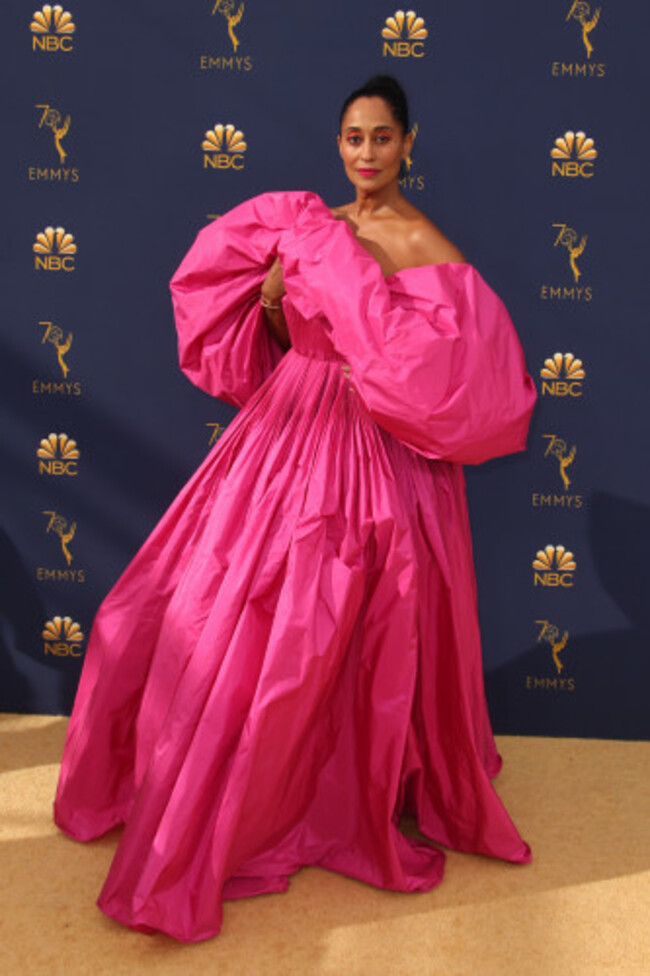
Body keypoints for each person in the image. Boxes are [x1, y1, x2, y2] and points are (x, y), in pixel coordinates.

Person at [54, 75, 536, 943]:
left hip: (364, 455)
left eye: (382, 139)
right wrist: (274, 304)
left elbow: (459, 378)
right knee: (182, 609)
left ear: (409, 145)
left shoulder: (422, 241)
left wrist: (366, 332)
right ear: (338, 144)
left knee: (322, 638)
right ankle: (185, 784)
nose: (365, 155)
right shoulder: (313, 227)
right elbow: (275, 342)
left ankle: (315, 799)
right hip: (282, 432)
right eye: (353, 138)